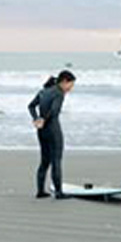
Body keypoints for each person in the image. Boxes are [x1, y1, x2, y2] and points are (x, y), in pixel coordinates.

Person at [28, 70, 76, 199]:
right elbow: (54, 111)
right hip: (53, 129)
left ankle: (40, 191)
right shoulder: (59, 93)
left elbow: (31, 106)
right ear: (64, 81)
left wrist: (37, 119)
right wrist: (43, 119)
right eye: (71, 85)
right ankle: (59, 193)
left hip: (41, 130)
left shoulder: (44, 91)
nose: (71, 88)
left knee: (44, 161)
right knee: (56, 160)